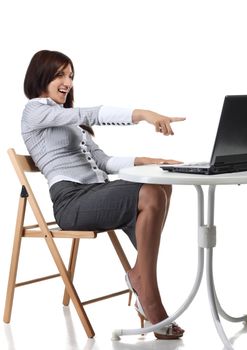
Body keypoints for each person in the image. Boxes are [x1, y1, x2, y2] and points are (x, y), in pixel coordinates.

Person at [21, 50, 186, 339]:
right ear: (40, 77)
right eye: (60, 74)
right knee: (150, 193)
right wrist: (143, 114)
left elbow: (104, 162)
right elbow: (90, 113)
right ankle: (148, 294)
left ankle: (141, 280)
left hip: (96, 192)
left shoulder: (70, 121)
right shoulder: (34, 111)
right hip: (71, 201)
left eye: (70, 76)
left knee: (160, 184)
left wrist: (149, 160)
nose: (67, 82)